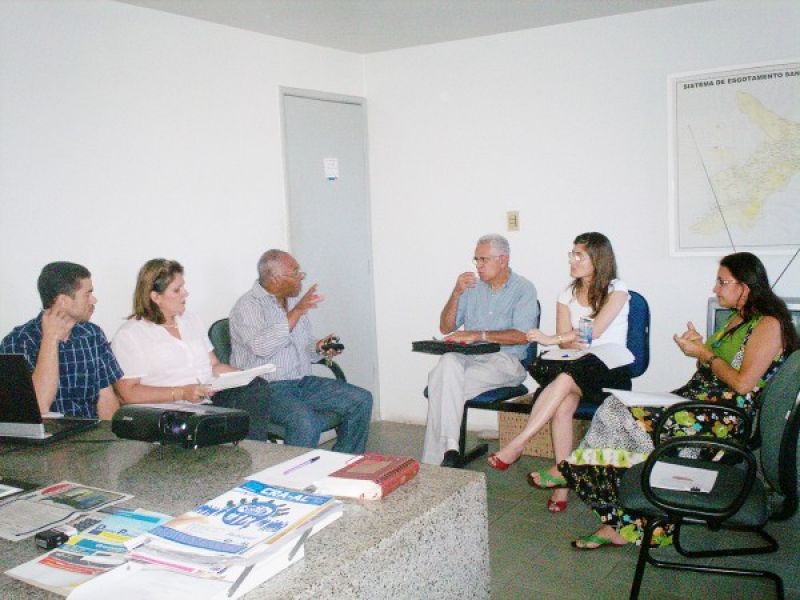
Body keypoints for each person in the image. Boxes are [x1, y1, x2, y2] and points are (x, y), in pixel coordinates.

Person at [561, 251, 798, 550]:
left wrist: (705, 354)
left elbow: (742, 384)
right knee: (614, 407)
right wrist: (697, 349)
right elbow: (714, 367)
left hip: (723, 416)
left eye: (722, 282)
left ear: (745, 287)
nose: (715, 288)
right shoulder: (738, 318)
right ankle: (618, 518)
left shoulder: (768, 325)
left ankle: (587, 483)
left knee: (627, 424)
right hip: (699, 402)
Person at [487, 232, 632, 514]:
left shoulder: (617, 289)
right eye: (572, 254)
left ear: (598, 259)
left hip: (610, 369)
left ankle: (518, 444)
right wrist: (566, 339)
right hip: (578, 364)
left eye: (579, 255)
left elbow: (595, 332)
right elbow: (569, 342)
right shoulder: (566, 294)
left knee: (565, 379)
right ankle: (563, 483)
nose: (572, 260)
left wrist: (551, 338)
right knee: (563, 405)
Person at [228, 249, 372, 454]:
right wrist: (296, 313)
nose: (301, 278)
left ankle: (344, 462)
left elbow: (303, 346)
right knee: (305, 422)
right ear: (275, 278)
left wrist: (319, 347)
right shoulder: (247, 306)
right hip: (266, 389)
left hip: (302, 382)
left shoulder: (293, 303)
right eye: (296, 273)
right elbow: (261, 348)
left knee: (361, 400)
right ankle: (295, 472)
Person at [111, 259, 273, 441]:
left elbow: (214, 366)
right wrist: (181, 392)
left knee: (256, 387)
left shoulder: (190, 320)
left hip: (207, 399)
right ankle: (247, 448)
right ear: (155, 297)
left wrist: (244, 375)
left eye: (183, 287)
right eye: (177, 290)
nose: (185, 293)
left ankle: (254, 449)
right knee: (221, 421)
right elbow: (128, 393)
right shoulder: (131, 334)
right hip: (166, 411)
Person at [423, 233, 539, 467]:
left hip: (506, 362)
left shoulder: (523, 289)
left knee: (440, 383)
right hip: (470, 359)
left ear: (503, 260)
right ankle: (451, 448)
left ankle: (435, 462)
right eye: (476, 259)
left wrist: (478, 334)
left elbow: (522, 335)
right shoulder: (471, 288)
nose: (478, 265)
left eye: (483, 259)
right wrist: (456, 293)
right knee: (448, 361)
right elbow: (445, 327)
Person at [1, 262, 122, 420]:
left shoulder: (92, 334)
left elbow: (106, 398)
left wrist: (111, 433)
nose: (94, 300)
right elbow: (39, 405)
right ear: (63, 300)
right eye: (87, 294)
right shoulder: (19, 342)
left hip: (90, 432)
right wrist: (50, 339)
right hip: (47, 434)